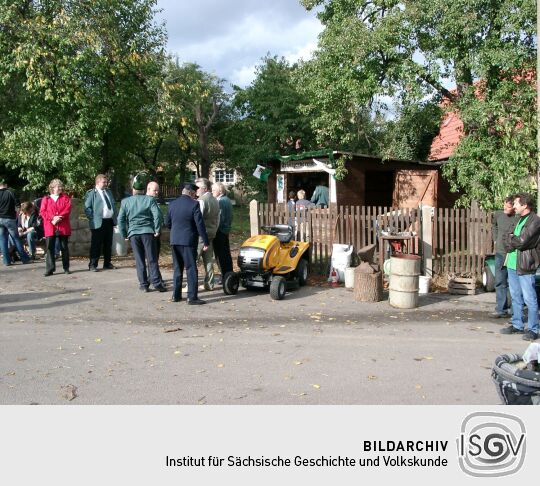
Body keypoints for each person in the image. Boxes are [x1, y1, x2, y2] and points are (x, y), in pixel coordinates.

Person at [500, 192, 540, 341]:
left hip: (525, 264)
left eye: (516, 203)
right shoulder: (517, 220)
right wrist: (511, 240)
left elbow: (523, 241)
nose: (513, 206)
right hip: (512, 262)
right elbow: (506, 236)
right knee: (516, 296)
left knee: (529, 298)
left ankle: (533, 329)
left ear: (525, 205)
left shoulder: (535, 221)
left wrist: (512, 240)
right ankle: (517, 325)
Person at [117, 177, 165, 293]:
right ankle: (157, 283)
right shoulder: (149, 200)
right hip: (148, 232)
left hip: (133, 233)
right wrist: (157, 229)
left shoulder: (125, 202)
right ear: (144, 190)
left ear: (133, 190)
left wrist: (124, 234)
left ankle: (143, 284)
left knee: (139, 260)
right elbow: (157, 216)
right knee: (152, 259)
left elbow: (120, 219)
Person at [166, 182, 209, 305]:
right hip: (188, 241)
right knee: (191, 268)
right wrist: (205, 241)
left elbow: (167, 223)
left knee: (177, 268)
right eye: (195, 193)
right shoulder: (194, 205)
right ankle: (192, 297)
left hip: (174, 240)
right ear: (191, 193)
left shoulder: (172, 204)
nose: (195, 195)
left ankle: (176, 295)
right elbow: (199, 225)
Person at [84, 174, 118, 272]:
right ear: (98, 182)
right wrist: (92, 218)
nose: (106, 184)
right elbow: (87, 207)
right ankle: (93, 264)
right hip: (98, 222)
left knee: (108, 244)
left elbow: (113, 205)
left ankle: (107, 263)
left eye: (106, 182)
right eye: (104, 182)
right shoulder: (91, 193)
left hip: (109, 221)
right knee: (96, 244)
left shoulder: (108, 192)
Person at [490, 196, 516, 318]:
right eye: (504, 205)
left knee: (513, 283)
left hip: (512, 254)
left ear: (514, 207)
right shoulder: (498, 214)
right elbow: (494, 225)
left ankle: (514, 310)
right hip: (500, 253)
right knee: (500, 281)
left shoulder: (517, 218)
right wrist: (495, 239)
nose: (505, 208)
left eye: (508, 206)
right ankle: (501, 309)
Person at [39, 179, 72, 276]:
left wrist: (59, 217)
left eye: (61, 186)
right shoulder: (46, 199)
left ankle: (66, 268)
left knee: (64, 247)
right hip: (50, 226)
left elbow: (67, 209)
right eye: (58, 186)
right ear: (52, 188)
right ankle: (50, 269)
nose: (60, 188)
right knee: (50, 248)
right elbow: (43, 211)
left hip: (63, 226)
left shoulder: (65, 198)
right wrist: (52, 218)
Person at [195, 177, 219, 291]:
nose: (196, 190)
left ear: (204, 188)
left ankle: (191, 285)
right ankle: (209, 284)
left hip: (201, 235)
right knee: (208, 260)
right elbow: (217, 219)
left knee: (194, 259)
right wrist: (214, 229)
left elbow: (197, 219)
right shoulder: (215, 200)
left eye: (197, 187)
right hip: (211, 233)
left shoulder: (201, 201)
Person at [0, 178, 31, 266]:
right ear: (5, 185)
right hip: (10, 218)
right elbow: (18, 206)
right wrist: (16, 215)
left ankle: (6, 261)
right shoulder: (10, 192)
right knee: (16, 238)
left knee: (2, 240)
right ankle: (25, 259)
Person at [211, 182, 233, 277]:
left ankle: (225, 275)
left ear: (220, 191)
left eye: (214, 190)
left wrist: (216, 229)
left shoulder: (221, 201)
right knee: (225, 253)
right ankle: (228, 274)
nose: (212, 192)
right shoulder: (226, 199)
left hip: (220, 231)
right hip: (224, 230)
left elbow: (220, 217)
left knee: (221, 255)